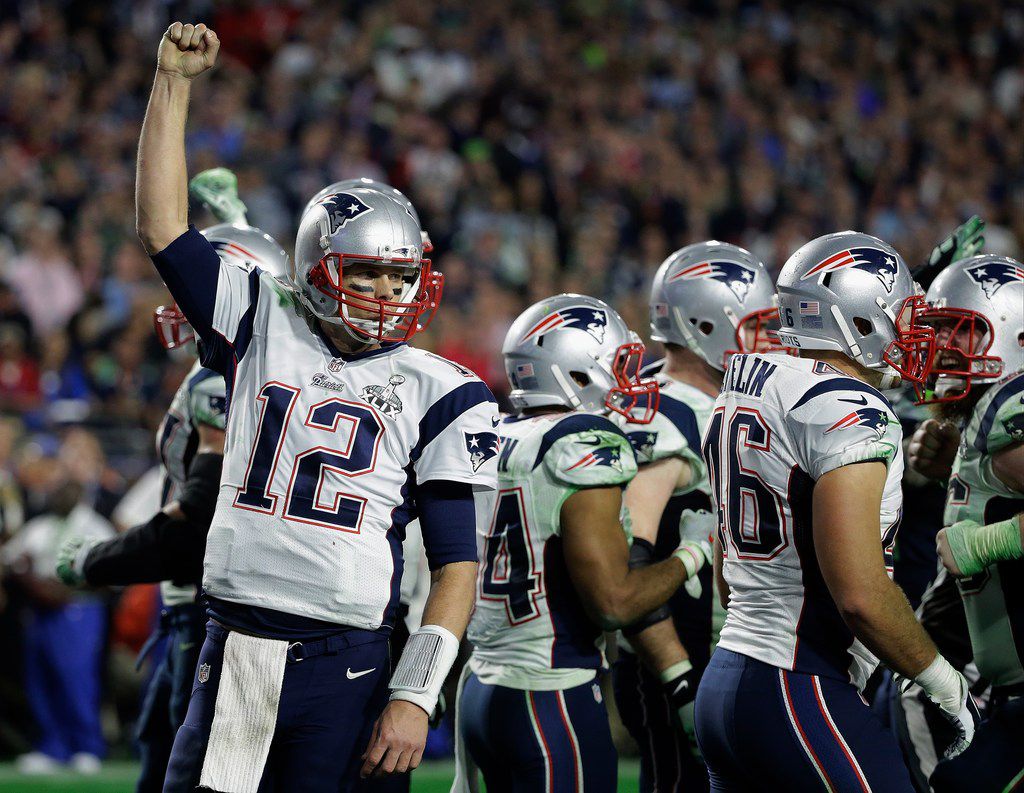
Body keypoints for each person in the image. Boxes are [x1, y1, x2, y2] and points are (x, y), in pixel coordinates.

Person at [136, 22, 497, 792]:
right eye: (368, 274)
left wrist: (415, 691)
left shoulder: (444, 389)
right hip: (236, 644)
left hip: (351, 659)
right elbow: (163, 226)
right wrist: (172, 85)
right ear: (317, 267)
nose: (388, 294)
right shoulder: (261, 318)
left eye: (402, 278)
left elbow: (458, 568)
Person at [694, 231, 978, 791]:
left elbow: (729, 577)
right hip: (797, 685)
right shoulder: (850, 410)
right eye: (901, 316)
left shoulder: (750, 384)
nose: (912, 333)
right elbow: (861, 596)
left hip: (728, 677)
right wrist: (943, 682)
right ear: (857, 320)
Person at [56, 195, 290, 790]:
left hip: (210, 608)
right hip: (217, 605)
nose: (182, 301)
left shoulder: (220, 384)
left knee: (182, 771)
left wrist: (96, 562)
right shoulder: (243, 371)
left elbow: (192, 527)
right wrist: (234, 215)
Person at [455, 293, 714, 793]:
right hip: (549, 696)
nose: (630, 384)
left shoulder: (497, 432)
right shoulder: (583, 443)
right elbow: (615, 603)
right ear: (575, 374)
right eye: (615, 368)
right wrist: (692, 553)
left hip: (482, 686)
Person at [610, 241, 782, 793]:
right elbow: (626, 566)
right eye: (756, 325)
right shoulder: (667, 414)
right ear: (705, 327)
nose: (770, 340)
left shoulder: (704, 399)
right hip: (681, 658)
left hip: (729, 653)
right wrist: (680, 681)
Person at [904, 254, 1024, 792]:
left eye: (958, 331)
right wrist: (952, 462)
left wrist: (989, 542)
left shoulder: (1009, 410)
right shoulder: (984, 422)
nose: (940, 349)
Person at [3, 471, 114, 774]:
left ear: (81, 493)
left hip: (79, 608)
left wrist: (67, 589)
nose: (59, 496)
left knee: (75, 678)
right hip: (41, 610)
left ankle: (86, 746)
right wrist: (33, 583)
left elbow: (112, 575)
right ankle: (51, 746)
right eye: (56, 490)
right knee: (40, 678)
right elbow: (13, 559)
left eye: (67, 490)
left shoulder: (94, 527)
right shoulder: (39, 527)